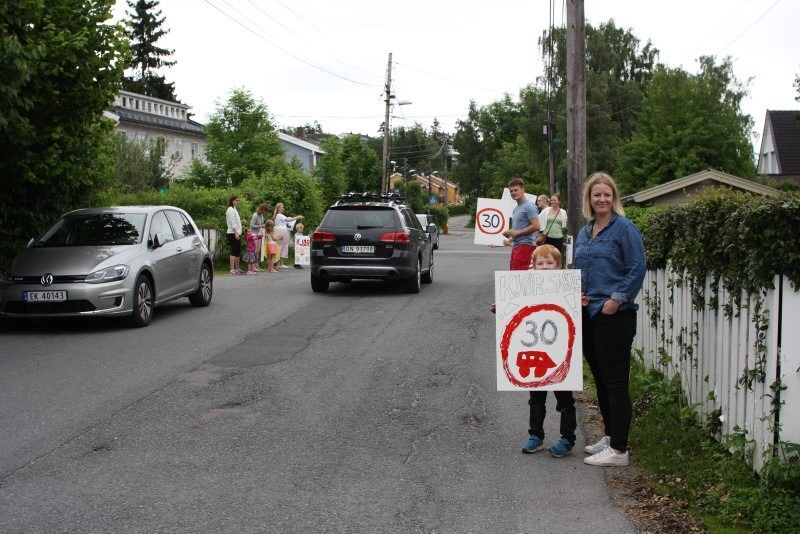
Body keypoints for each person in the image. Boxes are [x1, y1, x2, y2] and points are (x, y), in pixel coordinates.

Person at [573, 172, 646, 467]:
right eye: (597, 195)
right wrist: (578, 293)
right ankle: (610, 434)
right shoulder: (584, 232)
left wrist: (617, 299)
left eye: (607, 194)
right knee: (601, 380)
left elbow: (637, 267)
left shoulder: (624, 229)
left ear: (613, 197)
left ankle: (619, 449)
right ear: (589, 199)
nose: (602, 199)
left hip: (615, 316)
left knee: (615, 383)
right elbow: (578, 269)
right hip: (589, 315)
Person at [519, 245, 577, 458]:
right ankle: (536, 436)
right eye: (540, 263)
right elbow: (516, 307)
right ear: (533, 266)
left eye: (549, 263)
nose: (544, 267)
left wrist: (578, 302)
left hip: (560, 353)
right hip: (537, 351)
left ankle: (567, 438)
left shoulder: (567, 287)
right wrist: (502, 307)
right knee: (536, 398)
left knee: (564, 398)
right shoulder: (526, 288)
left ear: (558, 265)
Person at [502, 178, 540, 271]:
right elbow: (518, 230)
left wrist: (516, 232)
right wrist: (510, 239)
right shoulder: (516, 209)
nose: (513, 193)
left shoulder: (529, 206)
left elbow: (536, 226)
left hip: (526, 246)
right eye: (511, 191)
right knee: (514, 274)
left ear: (523, 190)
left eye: (516, 190)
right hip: (517, 246)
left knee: (519, 276)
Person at [536, 194, 568, 259]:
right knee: (547, 257)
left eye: (555, 200)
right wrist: (540, 233)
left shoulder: (563, 212)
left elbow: (564, 225)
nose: (553, 202)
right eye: (551, 200)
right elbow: (538, 219)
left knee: (557, 257)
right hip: (547, 237)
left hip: (559, 238)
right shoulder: (546, 210)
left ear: (559, 201)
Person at [274, 203, 304, 269]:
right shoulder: (279, 215)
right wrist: (297, 217)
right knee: (282, 248)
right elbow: (288, 220)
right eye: (281, 207)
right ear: (278, 208)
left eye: (283, 207)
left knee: (282, 247)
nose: (283, 208)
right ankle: (279, 264)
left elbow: (288, 220)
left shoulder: (279, 215)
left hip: (280, 231)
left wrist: (292, 218)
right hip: (282, 231)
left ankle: (280, 263)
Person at [226, 195, 243, 275]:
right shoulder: (230, 209)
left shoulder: (234, 209)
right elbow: (232, 222)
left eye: (238, 200)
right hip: (233, 233)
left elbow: (235, 221)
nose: (238, 202)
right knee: (234, 250)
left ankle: (237, 268)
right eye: (236, 200)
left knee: (237, 251)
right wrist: (236, 232)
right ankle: (232, 269)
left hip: (237, 232)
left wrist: (241, 222)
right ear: (232, 201)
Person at [250, 203, 269, 272]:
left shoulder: (261, 215)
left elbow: (262, 223)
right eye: (265, 210)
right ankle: (253, 266)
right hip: (254, 234)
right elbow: (251, 225)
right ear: (262, 209)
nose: (265, 212)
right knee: (255, 250)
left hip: (259, 234)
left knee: (258, 251)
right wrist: (260, 226)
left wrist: (263, 226)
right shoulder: (255, 215)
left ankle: (257, 265)